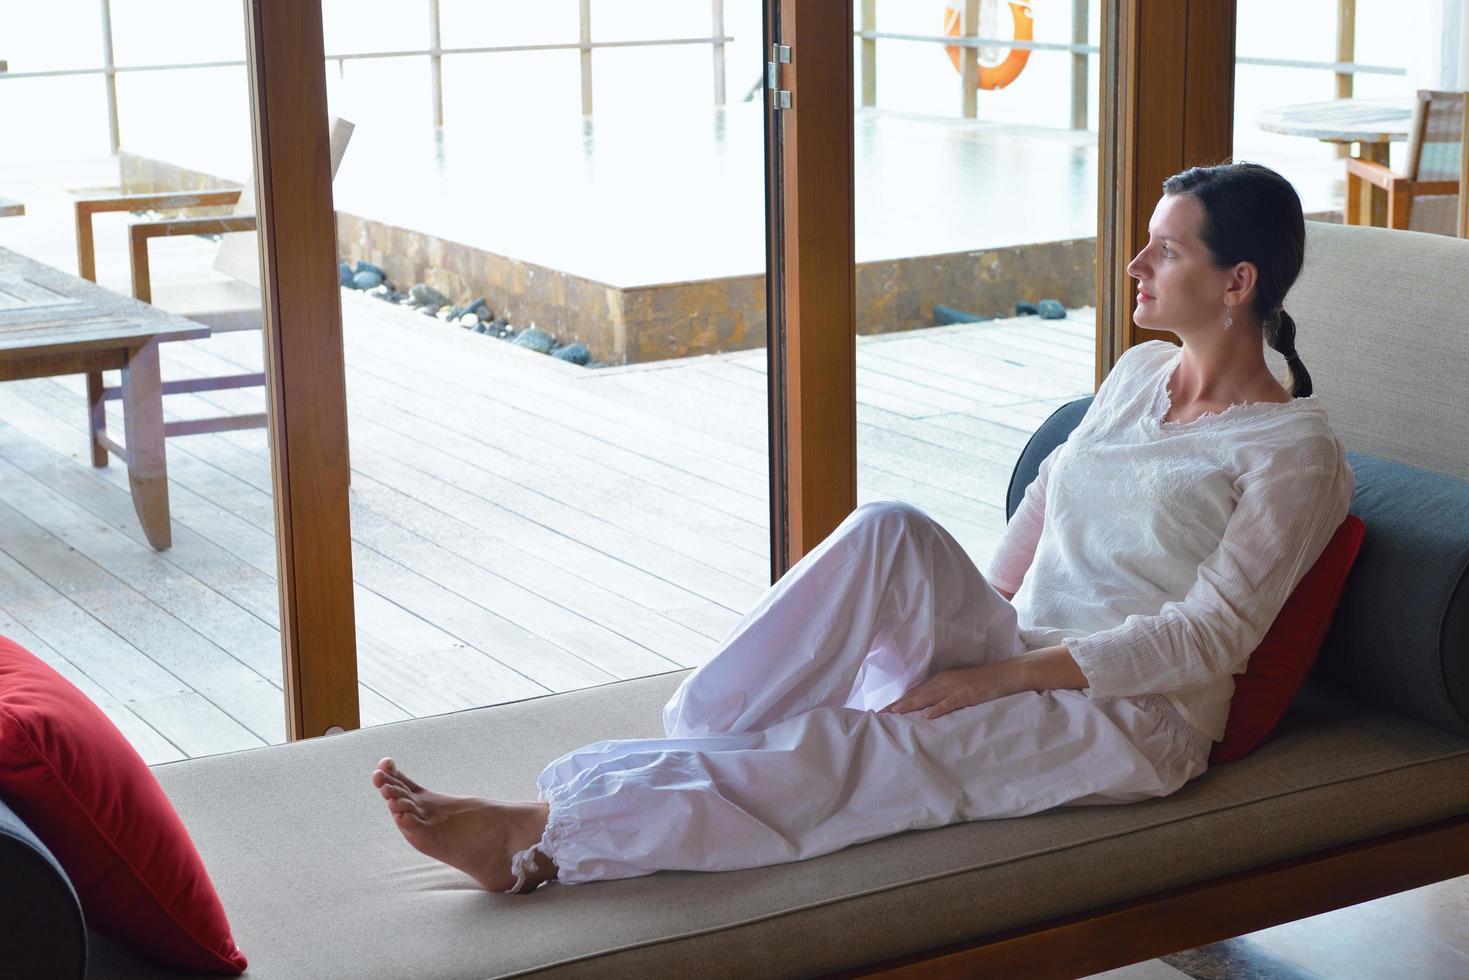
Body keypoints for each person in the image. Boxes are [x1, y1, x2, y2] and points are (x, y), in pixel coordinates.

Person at [370, 161, 1354, 895]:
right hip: (1027, 643)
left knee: (864, 747)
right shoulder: (1140, 373)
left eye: (1166, 248)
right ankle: (704, 746)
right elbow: (1053, 491)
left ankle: (545, 833)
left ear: (1235, 283)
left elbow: (1206, 638)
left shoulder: (1292, 454)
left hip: (1134, 714)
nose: (1135, 262)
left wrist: (992, 680)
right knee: (889, 527)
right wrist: (975, 620)